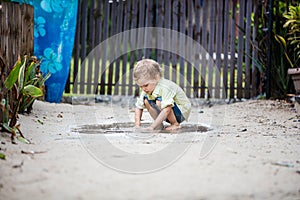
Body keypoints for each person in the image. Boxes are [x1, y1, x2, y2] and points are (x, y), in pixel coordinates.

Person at [133, 59, 191, 131]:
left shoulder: (165, 87)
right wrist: (137, 125)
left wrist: (152, 127)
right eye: (141, 86)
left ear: (156, 78)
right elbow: (139, 107)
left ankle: (175, 124)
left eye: (146, 85)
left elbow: (167, 109)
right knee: (146, 100)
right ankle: (159, 125)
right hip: (168, 112)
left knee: (159, 102)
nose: (143, 89)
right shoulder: (147, 89)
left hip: (182, 112)